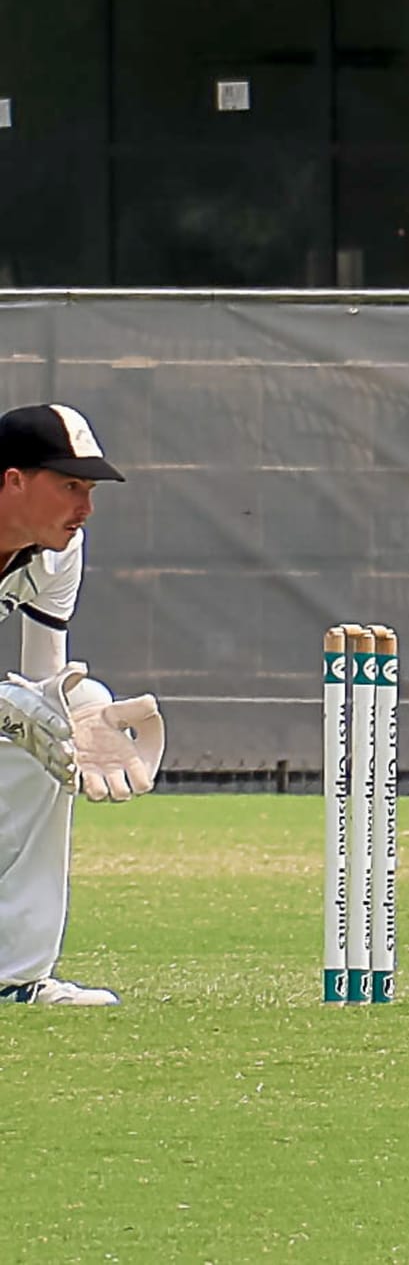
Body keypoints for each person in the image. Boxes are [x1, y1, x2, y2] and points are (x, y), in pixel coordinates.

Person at [0, 404, 166, 1007]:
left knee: (49, 746)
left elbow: (43, 674)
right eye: (70, 486)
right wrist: (18, 707)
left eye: (90, 488)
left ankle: (15, 980)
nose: (85, 508)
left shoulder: (58, 552)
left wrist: (79, 709)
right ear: (13, 479)